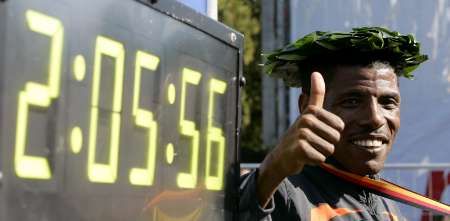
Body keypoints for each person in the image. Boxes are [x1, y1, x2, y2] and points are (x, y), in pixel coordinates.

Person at [239, 27, 428, 220]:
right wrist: (273, 168)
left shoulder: (387, 203)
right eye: (352, 101)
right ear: (306, 107)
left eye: (388, 102)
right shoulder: (279, 195)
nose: (375, 118)